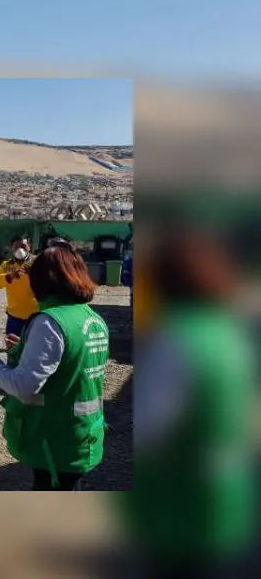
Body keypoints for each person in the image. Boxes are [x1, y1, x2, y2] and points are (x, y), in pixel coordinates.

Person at [118, 228, 255, 578]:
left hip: (179, 500)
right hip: (227, 489)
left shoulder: (175, 338)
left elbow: (151, 428)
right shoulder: (229, 331)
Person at [0, 243, 109, 491]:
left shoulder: (50, 322)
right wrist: (29, 348)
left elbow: (23, 386)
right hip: (83, 432)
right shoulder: (91, 317)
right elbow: (70, 362)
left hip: (54, 437)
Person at [0, 234, 39, 349]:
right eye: (16, 246)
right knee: (12, 347)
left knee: (34, 347)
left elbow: (50, 281)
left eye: (23, 246)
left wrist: (34, 274)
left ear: (29, 246)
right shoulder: (7, 265)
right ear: (11, 248)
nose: (20, 249)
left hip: (35, 314)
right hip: (14, 314)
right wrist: (9, 277)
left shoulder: (38, 262)